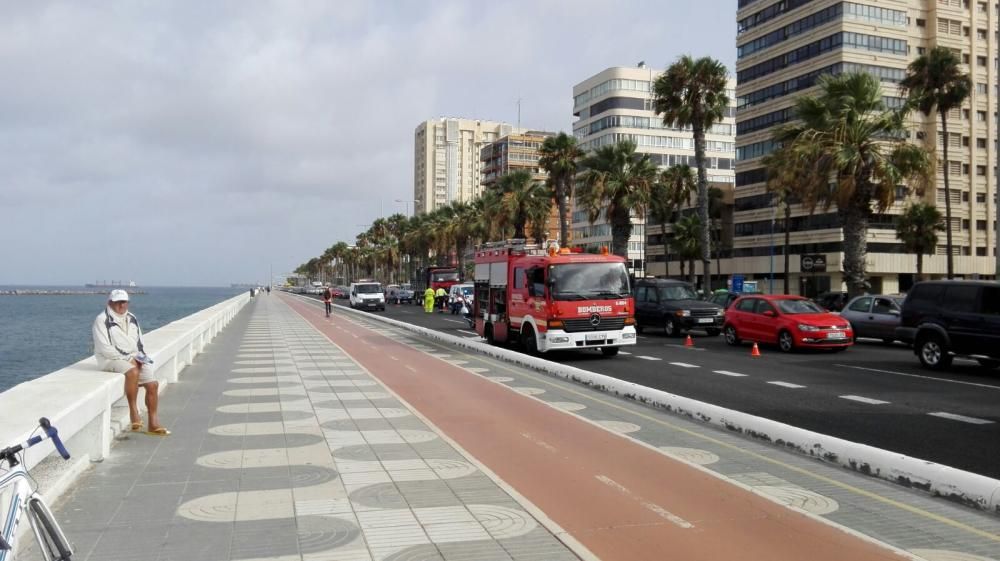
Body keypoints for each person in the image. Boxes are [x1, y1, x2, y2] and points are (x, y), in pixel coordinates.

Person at [92, 289, 169, 436]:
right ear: (110, 303)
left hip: (133, 357)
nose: (121, 305)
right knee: (132, 372)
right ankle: (134, 411)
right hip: (109, 360)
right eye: (117, 302)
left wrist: (140, 357)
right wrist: (129, 359)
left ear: (128, 303)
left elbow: (140, 342)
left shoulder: (132, 317)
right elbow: (105, 348)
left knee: (153, 385)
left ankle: (153, 423)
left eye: (124, 302)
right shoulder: (101, 320)